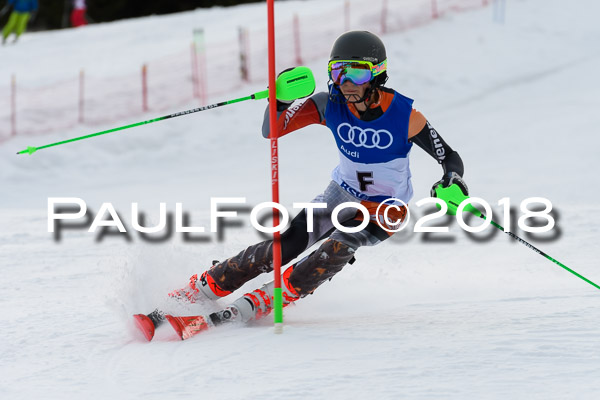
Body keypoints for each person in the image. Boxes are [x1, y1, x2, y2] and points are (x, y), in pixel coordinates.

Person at [134, 31, 469, 341]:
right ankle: (205, 287)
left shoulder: (404, 115)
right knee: (285, 245)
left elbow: (449, 157)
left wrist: (451, 179)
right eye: (339, 72)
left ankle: (261, 301)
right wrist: (279, 101)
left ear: (378, 74)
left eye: (357, 73)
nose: (346, 82)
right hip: (340, 192)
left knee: (336, 247)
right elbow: (273, 130)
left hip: (385, 208)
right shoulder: (330, 104)